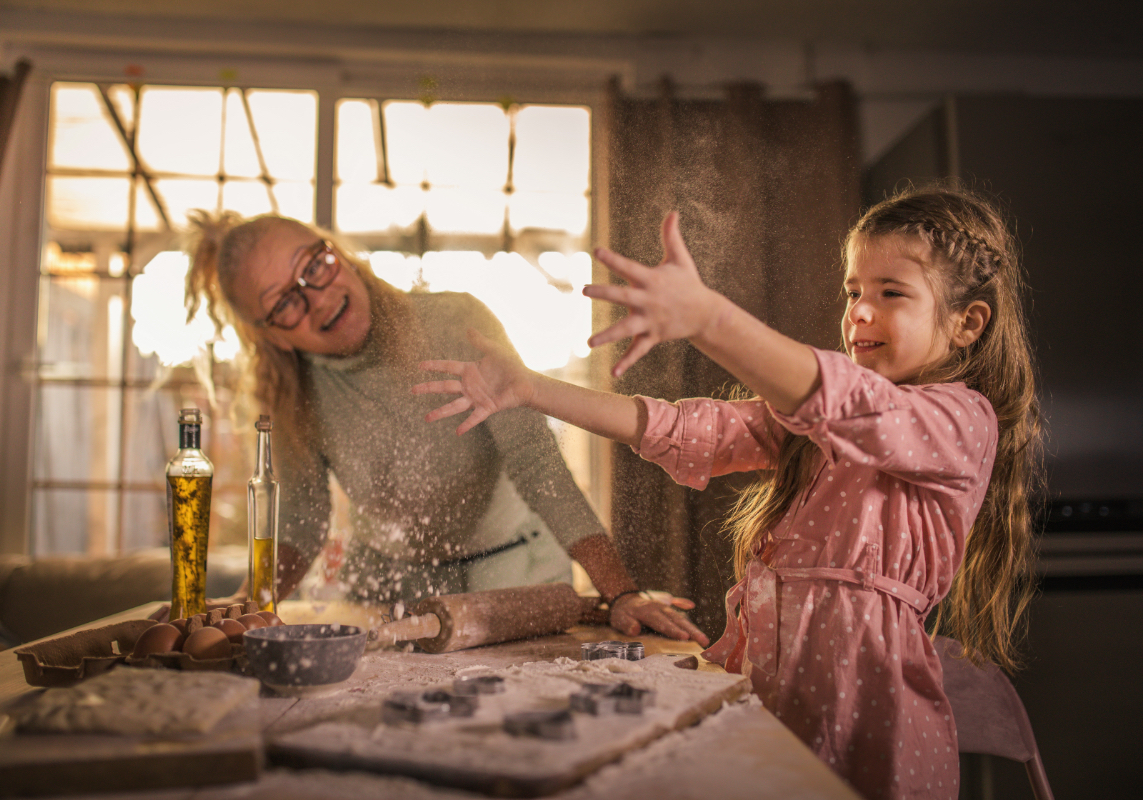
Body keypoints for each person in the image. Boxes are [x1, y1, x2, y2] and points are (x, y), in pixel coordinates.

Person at [413, 187, 1042, 800]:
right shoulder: (811, 424)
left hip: (869, 744)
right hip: (768, 725)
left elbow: (852, 401)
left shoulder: (962, 422)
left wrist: (708, 317)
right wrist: (530, 389)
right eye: (853, 291)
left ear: (968, 323)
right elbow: (687, 428)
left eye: (891, 293)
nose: (860, 312)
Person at [181, 211, 708, 646]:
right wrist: (249, 607)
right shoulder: (293, 395)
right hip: (383, 592)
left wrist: (620, 593)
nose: (317, 298)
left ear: (338, 254)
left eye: (314, 266)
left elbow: (537, 466)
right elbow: (302, 520)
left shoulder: (457, 323)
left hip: (512, 581)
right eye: (284, 303)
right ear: (270, 336)